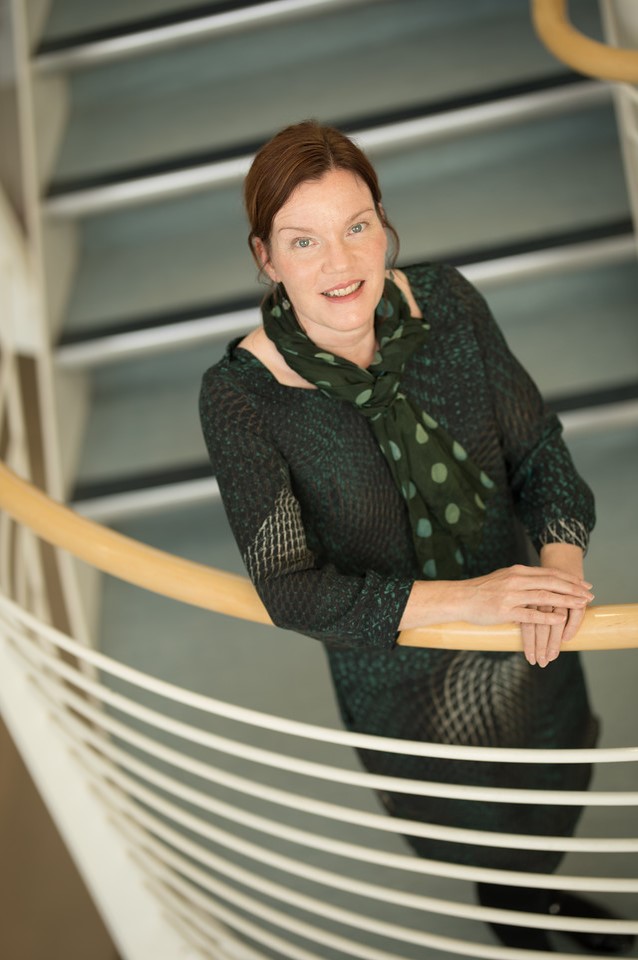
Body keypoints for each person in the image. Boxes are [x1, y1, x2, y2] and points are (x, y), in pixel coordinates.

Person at [199, 120, 632, 954]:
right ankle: (521, 928)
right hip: (404, 677)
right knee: (484, 833)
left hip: (525, 640)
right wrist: (474, 598)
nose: (340, 262)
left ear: (383, 223)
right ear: (266, 257)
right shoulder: (241, 396)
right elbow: (291, 587)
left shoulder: (446, 303)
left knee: (544, 806)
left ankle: (539, 905)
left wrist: (557, 569)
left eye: (357, 226)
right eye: (304, 240)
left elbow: (537, 451)